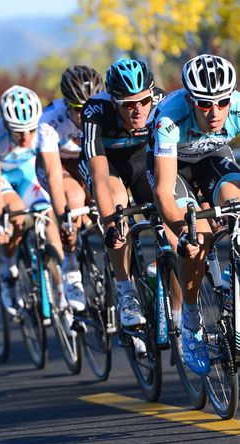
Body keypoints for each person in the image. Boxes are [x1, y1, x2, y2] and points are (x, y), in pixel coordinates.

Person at [147, 54, 240, 375]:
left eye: (222, 102)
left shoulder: (237, 108)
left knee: (236, 202)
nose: (215, 112)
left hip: (212, 155)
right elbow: (163, 192)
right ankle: (190, 321)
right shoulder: (169, 118)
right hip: (172, 166)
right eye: (204, 104)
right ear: (190, 100)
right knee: (197, 237)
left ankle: (231, 277)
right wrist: (183, 232)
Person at [80, 58, 166, 328]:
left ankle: (161, 269)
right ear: (114, 101)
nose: (138, 110)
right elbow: (99, 177)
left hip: (141, 160)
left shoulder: (162, 102)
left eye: (144, 101)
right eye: (128, 104)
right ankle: (126, 291)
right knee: (118, 212)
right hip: (107, 164)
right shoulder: (96, 110)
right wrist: (109, 226)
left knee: (165, 209)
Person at [0, 84, 62, 316]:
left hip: (26, 171)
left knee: (46, 213)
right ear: (5, 125)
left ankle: (63, 282)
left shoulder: (44, 127)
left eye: (30, 130)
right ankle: (9, 270)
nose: (25, 137)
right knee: (15, 215)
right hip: (0, 175)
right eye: (17, 131)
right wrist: (0, 223)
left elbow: (52, 171)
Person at [36, 65, 104, 312]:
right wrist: (64, 219)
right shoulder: (50, 121)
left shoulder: (106, 109)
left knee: (104, 207)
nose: (85, 114)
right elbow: (54, 176)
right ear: (66, 104)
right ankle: (71, 266)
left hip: (87, 160)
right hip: (59, 165)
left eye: (90, 106)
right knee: (74, 198)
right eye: (78, 109)